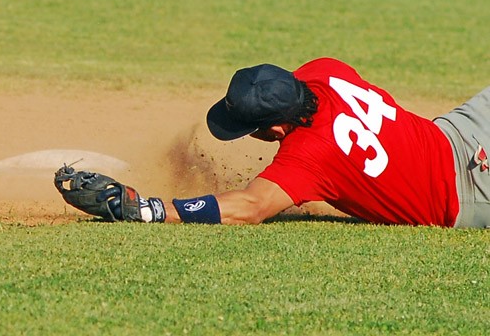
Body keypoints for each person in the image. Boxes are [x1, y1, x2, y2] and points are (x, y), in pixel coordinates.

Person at [54, 57, 490, 228]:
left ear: (276, 130)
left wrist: (147, 209)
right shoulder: (325, 70)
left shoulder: (308, 158)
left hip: (466, 194)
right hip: (458, 131)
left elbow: (250, 206)